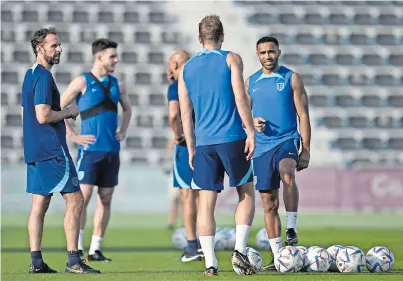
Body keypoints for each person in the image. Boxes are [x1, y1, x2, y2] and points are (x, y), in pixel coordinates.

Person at [178, 15, 257, 276]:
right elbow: (240, 98)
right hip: (232, 138)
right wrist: (250, 131)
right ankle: (240, 251)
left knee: (205, 204)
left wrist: (191, 147)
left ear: (199, 38)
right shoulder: (231, 58)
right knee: (245, 193)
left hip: (204, 145)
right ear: (222, 36)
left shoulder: (186, 68)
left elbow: (185, 114)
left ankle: (211, 263)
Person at [21, 27, 100, 274]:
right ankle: (74, 261)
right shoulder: (43, 77)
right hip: (52, 149)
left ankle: (36, 262)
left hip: (35, 149)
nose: (59, 49)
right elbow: (43, 115)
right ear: (39, 48)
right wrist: (69, 111)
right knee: (76, 200)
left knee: (39, 203)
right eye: (54, 45)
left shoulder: (29, 74)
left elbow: (29, 114)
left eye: (59, 45)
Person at [60, 38, 132, 262]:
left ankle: (95, 249)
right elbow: (59, 107)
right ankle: (77, 247)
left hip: (111, 150)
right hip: (89, 151)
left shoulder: (117, 84)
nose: (116, 60)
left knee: (106, 198)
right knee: (84, 197)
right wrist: (72, 135)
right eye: (112, 56)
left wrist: (123, 130)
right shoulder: (82, 81)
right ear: (99, 57)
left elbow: (128, 109)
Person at [245, 36, 311, 270]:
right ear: (257, 55)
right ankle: (277, 257)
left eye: (271, 51)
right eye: (262, 52)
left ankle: (291, 228)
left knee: (288, 173)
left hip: (287, 140)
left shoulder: (291, 78)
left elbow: (303, 114)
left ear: (279, 52)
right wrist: (252, 122)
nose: (267, 56)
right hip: (261, 148)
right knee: (269, 204)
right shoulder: (250, 82)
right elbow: (242, 117)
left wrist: (306, 149)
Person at [167, 50, 203, 262]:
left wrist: (178, 135)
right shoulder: (200, 83)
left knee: (187, 195)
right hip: (206, 143)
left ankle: (192, 247)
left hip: (186, 146)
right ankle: (206, 243)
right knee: (204, 195)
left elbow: (174, 114)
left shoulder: (176, 86)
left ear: (175, 64)